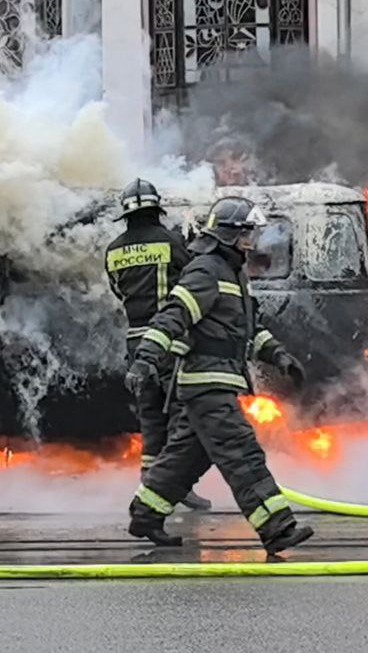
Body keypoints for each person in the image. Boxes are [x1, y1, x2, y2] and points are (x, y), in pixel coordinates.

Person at [124, 196, 313, 555]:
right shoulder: (206, 270)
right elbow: (173, 314)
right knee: (242, 454)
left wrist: (280, 356)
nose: (252, 241)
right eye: (246, 235)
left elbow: (247, 330)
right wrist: (146, 358)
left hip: (219, 381)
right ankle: (276, 528)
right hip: (206, 383)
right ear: (228, 235)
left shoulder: (233, 274)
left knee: (186, 457)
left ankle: (145, 516)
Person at [105, 179, 211, 511]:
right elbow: (192, 280)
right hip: (170, 342)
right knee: (182, 417)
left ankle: (150, 489)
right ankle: (177, 486)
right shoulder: (172, 242)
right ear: (156, 210)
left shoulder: (114, 250)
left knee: (151, 420)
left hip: (135, 344)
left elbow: (118, 292)